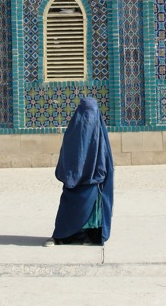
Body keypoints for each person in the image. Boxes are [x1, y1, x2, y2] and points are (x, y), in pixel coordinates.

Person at [44, 97, 114, 246]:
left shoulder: (99, 133)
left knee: (92, 207)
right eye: (85, 112)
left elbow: (105, 158)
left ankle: (92, 236)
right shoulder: (73, 132)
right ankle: (61, 236)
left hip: (94, 179)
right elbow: (67, 155)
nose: (88, 117)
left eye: (91, 112)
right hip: (74, 181)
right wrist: (72, 174)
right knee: (69, 207)